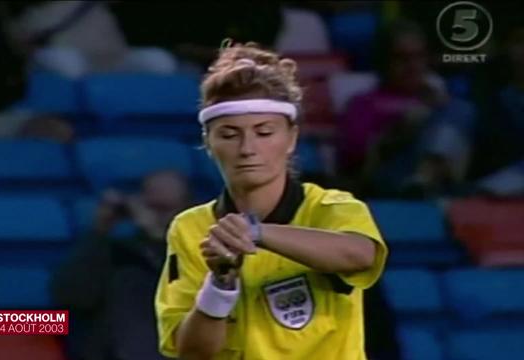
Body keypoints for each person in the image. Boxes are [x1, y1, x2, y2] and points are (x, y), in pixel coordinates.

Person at [154, 42, 388, 360]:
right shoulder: (190, 228)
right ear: (208, 142)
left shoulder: (330, 207)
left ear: (291, 138)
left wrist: (254, 232)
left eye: (264, 132)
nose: (247, 148)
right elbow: (191, 352)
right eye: (229, 134)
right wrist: (220, 286)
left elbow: (360, 254)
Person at [51, 170, 191, 360]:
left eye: (164, 209)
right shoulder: (113, 252)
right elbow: (70, 297)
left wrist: (156, 236)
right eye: (150, 207)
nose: (155, 215)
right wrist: (100, 231)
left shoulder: (202, 253)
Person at [337, 20, 477, 198]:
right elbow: (356, 164)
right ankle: (423, 181)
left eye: (419, 57)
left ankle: (425, 178)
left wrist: (432, 113)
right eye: (402, 58)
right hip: (389, 179)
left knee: (461, 109)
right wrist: (399, 130)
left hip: (441, 184)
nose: (413, 66)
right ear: (384, 61)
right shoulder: (364, 103)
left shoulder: (441, 102)